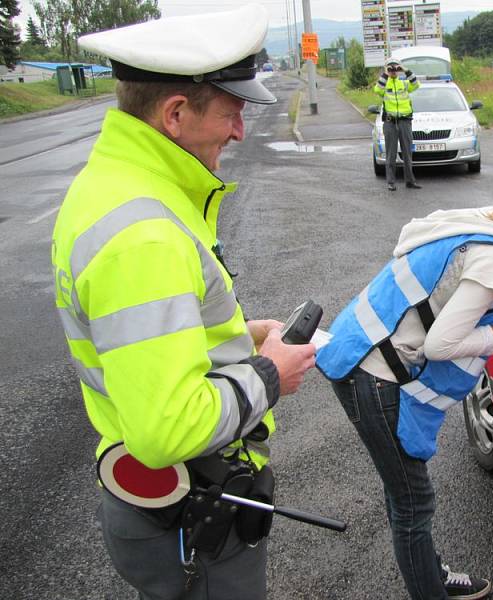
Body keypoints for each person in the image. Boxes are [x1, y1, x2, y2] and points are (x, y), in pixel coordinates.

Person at [50, 5, 316, 599]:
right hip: (193, 515)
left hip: (164, 507)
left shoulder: (115, 184)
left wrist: (235, 335)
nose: (240, 130)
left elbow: (139, 337)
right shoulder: (145, 233)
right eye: (231, 111)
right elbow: (168, 428)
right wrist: (271, 372)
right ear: (175, 114)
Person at [316, 146, 493, 599]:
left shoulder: (488, 220)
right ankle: (430, 586)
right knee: (413, 502)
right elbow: (440, 344)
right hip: (372, 370)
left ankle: (428, 571)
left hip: (356, 350)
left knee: (405, 495)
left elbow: (458, 318)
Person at [375, 58, 421, 191]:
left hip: (405, 121)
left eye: (395, 69)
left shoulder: (404, 84)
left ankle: (410, 181)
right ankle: (391, 182)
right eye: (390, 69)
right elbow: (377, 90)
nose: (393, 71)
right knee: (391, 153)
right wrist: (385, 74)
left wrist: (405, 70)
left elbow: (416, 84)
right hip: (390, 122)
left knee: (407, 152)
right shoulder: (385, 84)